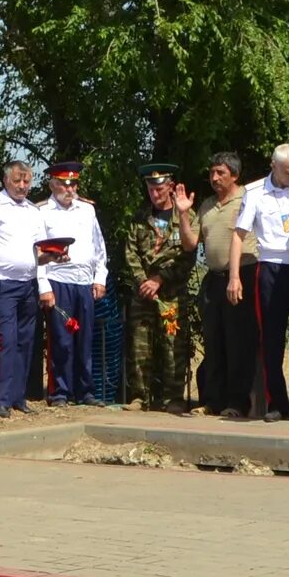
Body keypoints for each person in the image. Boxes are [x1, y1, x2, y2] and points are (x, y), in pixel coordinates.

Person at [235, 144, 289, 421]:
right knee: (272, 339)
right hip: (271, 266)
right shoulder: (255, 192)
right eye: (288, 171)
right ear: (274, 166)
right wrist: (234, 276)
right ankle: (277, 403)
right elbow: (239, 235)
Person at [0, 160, 47, 415]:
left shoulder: (33, 211)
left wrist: (55, 256)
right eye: (17, 181)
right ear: (6, 180)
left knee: (26, 342)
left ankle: (18, 396)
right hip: (2, 283)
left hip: (28, 283)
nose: (23, 186)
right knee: (6, 340)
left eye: (27, 181)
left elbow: (39, 251)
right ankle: (0, 400)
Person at [123, 165, 198, 411]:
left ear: (170, 186)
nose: (155, 193)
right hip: (143, 294)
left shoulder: (186, 216)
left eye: (159, 188)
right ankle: (139, 397)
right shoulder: (139, 217)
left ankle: (173, 398)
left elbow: (188, 257)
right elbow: (130, 253)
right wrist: (143, 282)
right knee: (139, 345)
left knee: (173, 346)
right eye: (150, 188)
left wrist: (160, 279)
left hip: (171, 296)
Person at [37, 162, 109, 404]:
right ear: (52, 184)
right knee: (62, 339)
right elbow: (36, 254)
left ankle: (85, 391)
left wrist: (100, 278)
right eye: (64, 184)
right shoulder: (42, 212)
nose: (70, 189)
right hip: (58, 280)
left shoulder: (87, 210)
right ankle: (60, 391)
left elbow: (98, 247)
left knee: (85, 339)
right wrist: (44, 286)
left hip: (84, 282)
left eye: (73, 184)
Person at [198, 153, 259, 418]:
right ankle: (212, 401)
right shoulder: (208, 205)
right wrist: (180, 210)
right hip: (214, 278)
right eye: (212, 173)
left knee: (238, 342)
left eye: (220, 173)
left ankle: (237, 402)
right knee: (214, 341)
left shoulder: (248, 198)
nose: (214, 178)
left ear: (234, 175)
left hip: (243, 275)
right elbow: (191, 243)